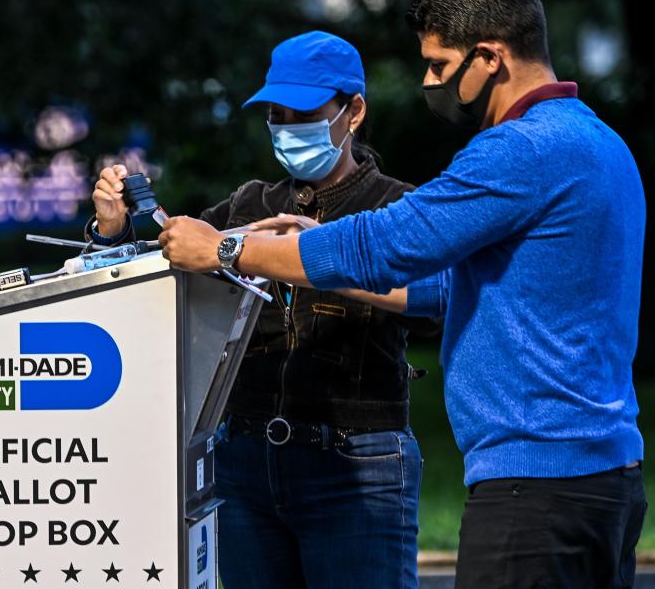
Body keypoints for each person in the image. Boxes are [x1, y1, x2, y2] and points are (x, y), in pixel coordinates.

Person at [159, 0, 648, 589]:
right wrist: (319, 248)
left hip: (536, 490)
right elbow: (444, 280)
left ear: (491, 57)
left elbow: (383, 245)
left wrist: (225, 252)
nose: (430, 81)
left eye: (441, 66)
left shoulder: (517, 151)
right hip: (606, 478)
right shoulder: (600, 142)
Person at [88, 31, 426, 588]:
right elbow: (161, 271)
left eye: (305, 114)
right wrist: (114, 227)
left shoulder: (394, 206)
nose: (289, 128)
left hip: (357, 467)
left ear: (353, 112)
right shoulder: (250, 203)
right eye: (277, 114)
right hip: (244, 459)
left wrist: (314, 250)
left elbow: (432, 300)